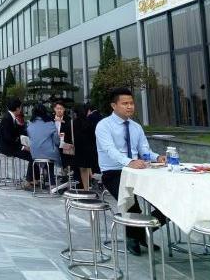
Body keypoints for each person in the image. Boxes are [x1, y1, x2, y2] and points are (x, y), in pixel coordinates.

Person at [96, 87, 167, 256]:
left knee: (166, 204)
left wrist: (157, 158)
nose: (129, 107)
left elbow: (145, 151)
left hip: (138, 172)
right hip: (114, 172)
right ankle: (134, 238)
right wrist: (129, 162)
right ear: (114, 105)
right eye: (125, 103)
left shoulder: (136, 127)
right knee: (131, 205)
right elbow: (110, 150)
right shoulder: (103, 125)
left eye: (131, 103)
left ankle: (141, 233)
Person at [0, 98, 34, 187]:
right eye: (20, 108)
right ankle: (29, 181)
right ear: (17, 108)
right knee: (33, 156)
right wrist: (23, 147)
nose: (21, 110)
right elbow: (8, 138)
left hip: (12, 146)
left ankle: (33, 179)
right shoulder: (7, 119)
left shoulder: (11, 117)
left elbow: (19, 131)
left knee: (33, 154)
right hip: (8, 148)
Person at [27, 103, 61, 186]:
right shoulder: (50, 124)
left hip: (34, 153)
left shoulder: (30, 124)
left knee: (43, 153)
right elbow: (57, 140)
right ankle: (51, 181)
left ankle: (45, 176)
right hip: (48, 153)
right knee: (51, 155)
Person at [72, 103, 100, 190]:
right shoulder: (89, 121)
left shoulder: (74, 122)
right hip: (90, 149)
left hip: (79, 150)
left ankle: (86, 188)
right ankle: (92, 180)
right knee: (87, 166)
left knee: (82, 169)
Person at [53, 101, 74, 179]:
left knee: (65, 152)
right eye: (57, 108)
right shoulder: (51, 119)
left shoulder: (68, 120)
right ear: (54, 109)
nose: (59, 110)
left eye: (61, 109)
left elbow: (70, 133)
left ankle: (65, 172)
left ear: (64, 109)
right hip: (53, 142)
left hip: (64, 142)